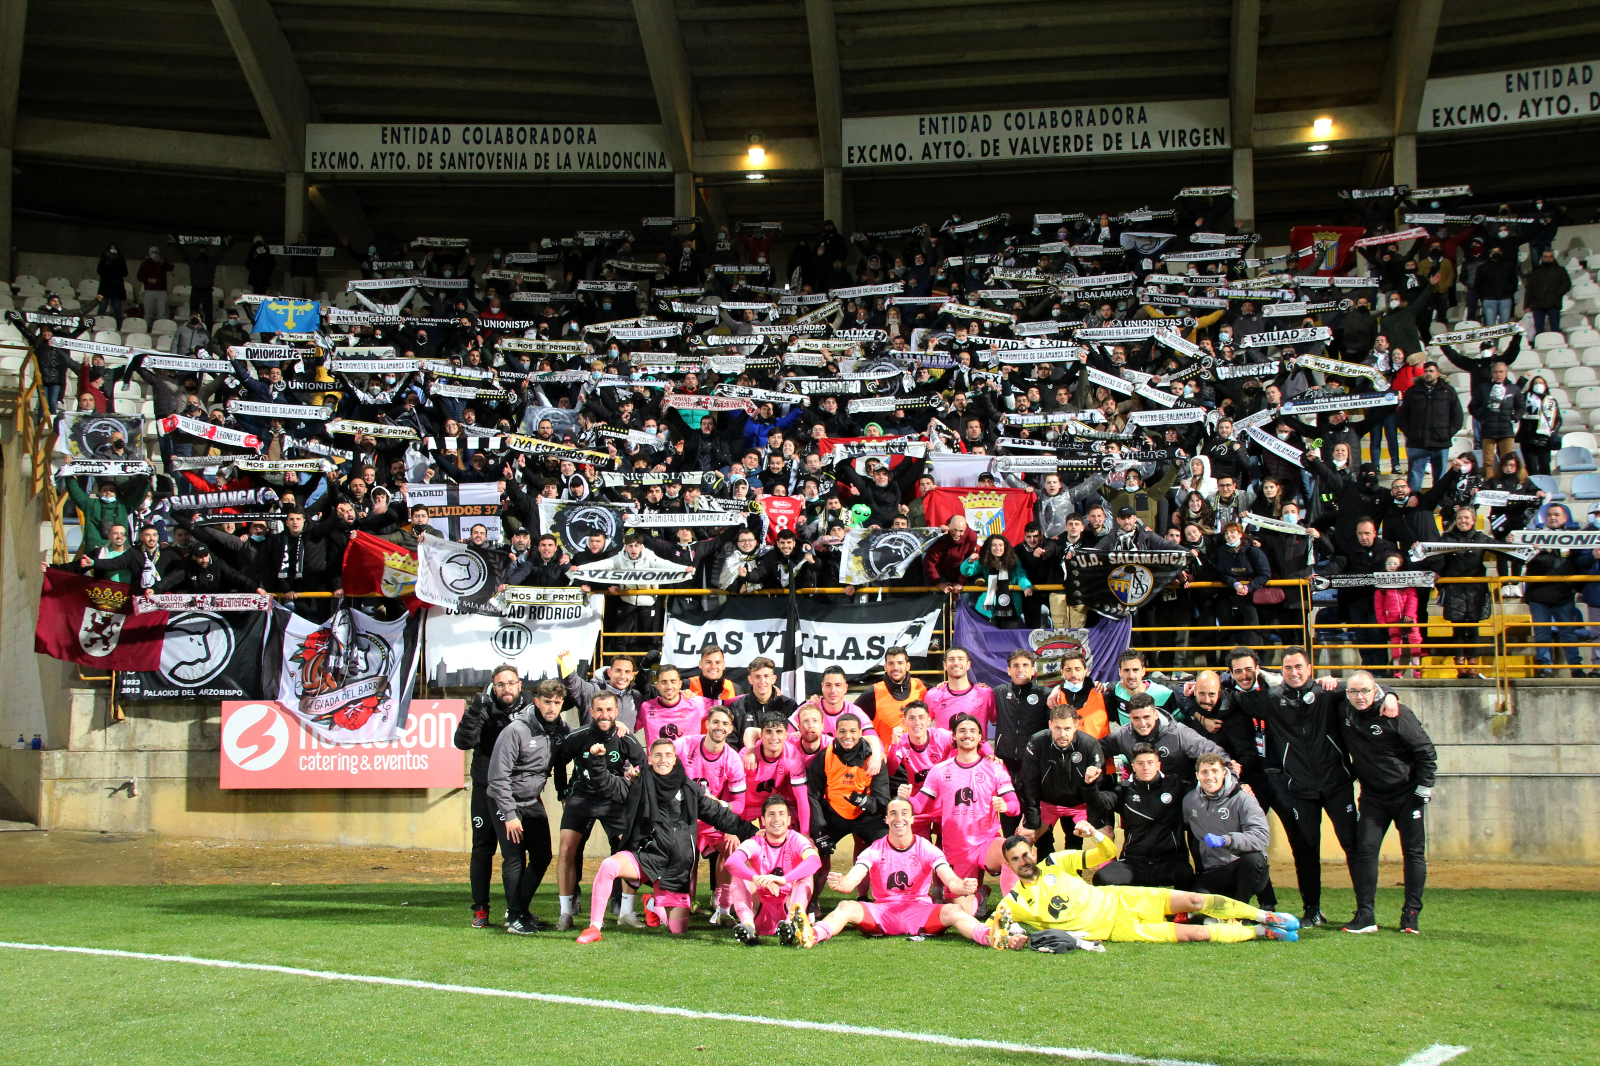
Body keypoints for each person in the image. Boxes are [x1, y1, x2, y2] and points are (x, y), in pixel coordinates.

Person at [986, 824, 1299, 947]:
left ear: (1033, 852)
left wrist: (1094, 834)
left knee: (1192, 901)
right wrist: (1009, 941)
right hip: (1115, 930)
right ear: (1009, 865)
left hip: (1121, 900)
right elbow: (990, 931)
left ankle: (1263, 916)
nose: (1023, 861)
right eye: (1015, 859)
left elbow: (1106, 854)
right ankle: (1261, 932)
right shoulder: (1013, 901)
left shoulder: (1055, 862)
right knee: (1196, 933)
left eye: (1025, 854)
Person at [576, 737, 754, 942]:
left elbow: (720, 815)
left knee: (678, 930)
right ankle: (594, 928)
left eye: (668, 755)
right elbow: (608, 786)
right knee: (609, 865)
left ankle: (652, 904)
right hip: (647, 856)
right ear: (649, 759)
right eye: (658, 755)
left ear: (675, 759)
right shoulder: (637, 785)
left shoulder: (689, 790)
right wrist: (598, 761)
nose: (663, 759)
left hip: (677, 866)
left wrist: (751, 831)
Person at [801, 796, 980, 946]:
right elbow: (852, 881)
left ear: (912, 819)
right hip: (882, 913)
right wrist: (842, 883)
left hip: (920, 911)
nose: (898, 818)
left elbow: (951, 880)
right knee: (845, 906)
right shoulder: (875, 849)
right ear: (886, 819)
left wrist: (962, 886)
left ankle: (990, 935)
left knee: (955, 910)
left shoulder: (926, 848)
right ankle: (810, 935)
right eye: (893, 813)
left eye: (904, 813)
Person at [1337, 672, 1438, 935]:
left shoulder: (1396, 713)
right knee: (1365, 851)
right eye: (1353, 692)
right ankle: (1366, 915)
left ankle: (1411, 915)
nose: (1359, 697)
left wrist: (1423, 789)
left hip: (1407, 794)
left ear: (1376, 691)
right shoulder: (1344, 709)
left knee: (1413, 853)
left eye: (1365, 691)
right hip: (1372, 797)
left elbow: (1426, 751)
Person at [551, 690, 646, 931]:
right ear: (592, 712)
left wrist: (633, 781)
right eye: (599, 710)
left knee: (629, 849)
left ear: (616, 712)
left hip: (614, 800)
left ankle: (626, 911)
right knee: (566, 848)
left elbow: (643, 765)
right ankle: (565, 912)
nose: (604, 715)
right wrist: (562, 792)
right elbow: (559, 760)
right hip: (581, 799)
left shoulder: (626, 737)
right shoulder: (578, 736)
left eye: (609, 710)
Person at [907, 713, 1018, 902]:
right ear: (955, 736)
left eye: (973, 731)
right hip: (956, 847)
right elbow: (919, 805)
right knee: (962, 909)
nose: (967, 734)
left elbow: (1015, 806)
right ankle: (981, 895)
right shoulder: (940, 770)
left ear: (980, 737)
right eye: (962, 731)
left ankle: (1011, 912)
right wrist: (905, 799)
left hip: (986, 842)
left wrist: (1005, 805)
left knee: (1013, 852)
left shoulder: (995, 767)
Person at [452, 665, 530, 929]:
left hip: (515, 790)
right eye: (500, 685)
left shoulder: (530, 706)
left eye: (511, 683)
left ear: (520, 685)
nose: (506, 689)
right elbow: (462, 742)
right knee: (483, 848)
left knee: (515, 851)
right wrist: (474, 709)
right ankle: (481, 909)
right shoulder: (483, 707)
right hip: (486, 787)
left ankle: (515, 910)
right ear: (493, 688)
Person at [485, 677, 555, 934]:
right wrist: (510, 814)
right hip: (505, 801)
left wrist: (619, 728)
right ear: (537, 702)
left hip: (532, 801)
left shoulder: (557, 728)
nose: (552, 708)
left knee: (542, 856)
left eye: (557, 703)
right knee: (514, 857)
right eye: (547, 702)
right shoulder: (515, 730)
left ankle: (517, 909)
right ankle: (515, 918)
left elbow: (578, 739)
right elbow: (497, 776)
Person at [674, 706, 748, 926]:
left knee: (732, 845)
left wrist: (720, 804)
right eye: (716, 722)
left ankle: (722, 907)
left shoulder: (733, 760)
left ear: (731, 729)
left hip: (712, 818)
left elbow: (740, 805)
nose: (720, 727)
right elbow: (661, 754)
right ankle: (685, 900)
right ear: (707, 724)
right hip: (683, 816)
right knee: (686, 853)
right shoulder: (685, 745)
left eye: (725, 724)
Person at [1085, 743, 1194, 889]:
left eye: (1150, 763)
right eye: (1140, 763)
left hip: (1169, 861)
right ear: (1133, 766)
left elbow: (1202, 793)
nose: (1146, 767)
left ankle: (1181, 912)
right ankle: (1124, 909)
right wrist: (1089, 785)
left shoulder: (1176, 785)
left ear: (1158, 765)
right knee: (1102, 877)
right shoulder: (1124, 789)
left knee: (1186, 873)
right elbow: (1100, 802)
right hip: (1134, 862)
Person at [723, 794, 823, 946]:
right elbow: (732, 862)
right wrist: (755, 877)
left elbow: (814, 861)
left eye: (781, 814)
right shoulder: (756, 842)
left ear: (789, 820)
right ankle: (748, 925)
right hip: (760, 908)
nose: (776, 819)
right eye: (771, 814)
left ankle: (792, 923)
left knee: (806, 876)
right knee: (738, 876)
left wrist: (783, 879)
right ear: (762, 821)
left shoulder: (796, 839)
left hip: (787, 902)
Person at [1182, 752, 1274, 907]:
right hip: (1214, 870)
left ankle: (1245, 909)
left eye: (1215, 771)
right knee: (1199, 904)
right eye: (1204, 772)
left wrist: (1226, 840)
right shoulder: (1190, 801)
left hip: (1243, 867)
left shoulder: (1244, 798)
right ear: (1197, 775)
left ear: (1224, 773)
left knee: (1253, 858)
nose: (1210, 777)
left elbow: (1261, 836)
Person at [805, 712, 890, 866]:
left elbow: (884, 801)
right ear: (836, 732)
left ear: (860, 733)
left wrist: (864, 801)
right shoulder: (824, 756)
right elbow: (813, 796)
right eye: (842, 731)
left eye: (852, 731)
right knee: (813, 853)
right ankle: (808, 890)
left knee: (887, 851)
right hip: (834, 815)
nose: (847, 736)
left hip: (867, 816)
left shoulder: (875, 759)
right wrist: (819, 831)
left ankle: (876, 891)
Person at [1016, 703, 1105, 849]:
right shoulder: (1036, 742)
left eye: (1067, 728)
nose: (1062, 734)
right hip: (1048, 804)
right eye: (1057, 728)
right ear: (1050, 725)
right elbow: (1028, 782)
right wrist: (1032, 822)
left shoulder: (1089, 744)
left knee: (1106, 834)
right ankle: (1030, 871)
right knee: (1022, 839)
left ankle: (1109, 872)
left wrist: (1095, 820)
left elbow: (1099, 785)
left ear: (1076, 726)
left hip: (1080, 806)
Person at [961, 533, 1033, 628]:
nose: (997, 548)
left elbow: (1021, 576)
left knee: (1010, 638)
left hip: (1011, 607)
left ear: (1005, 547)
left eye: (1000, 545)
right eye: (994, 545)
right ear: (989, 548)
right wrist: (969, 562)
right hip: (990, 610)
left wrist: (1027, 587)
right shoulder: (984, 561)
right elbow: (967, 571)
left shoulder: (1014, 560)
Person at [923, 647, 996, 734]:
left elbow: (997, 722)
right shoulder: (933, 695)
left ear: (968, 665)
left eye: (961, 659)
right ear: (944, 665)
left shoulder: (986, 694)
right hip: (945, 748)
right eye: (951, 659)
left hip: (977, 747)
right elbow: (923, 727)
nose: (956, 663)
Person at [636, 664, 713, 744]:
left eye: (673, 682)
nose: (669, 686)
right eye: (664, 682)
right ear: (657, 686)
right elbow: (629, 725)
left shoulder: (696, 703)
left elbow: (725, 703)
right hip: (657, 756)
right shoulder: (646, 707)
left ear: (680, 684)